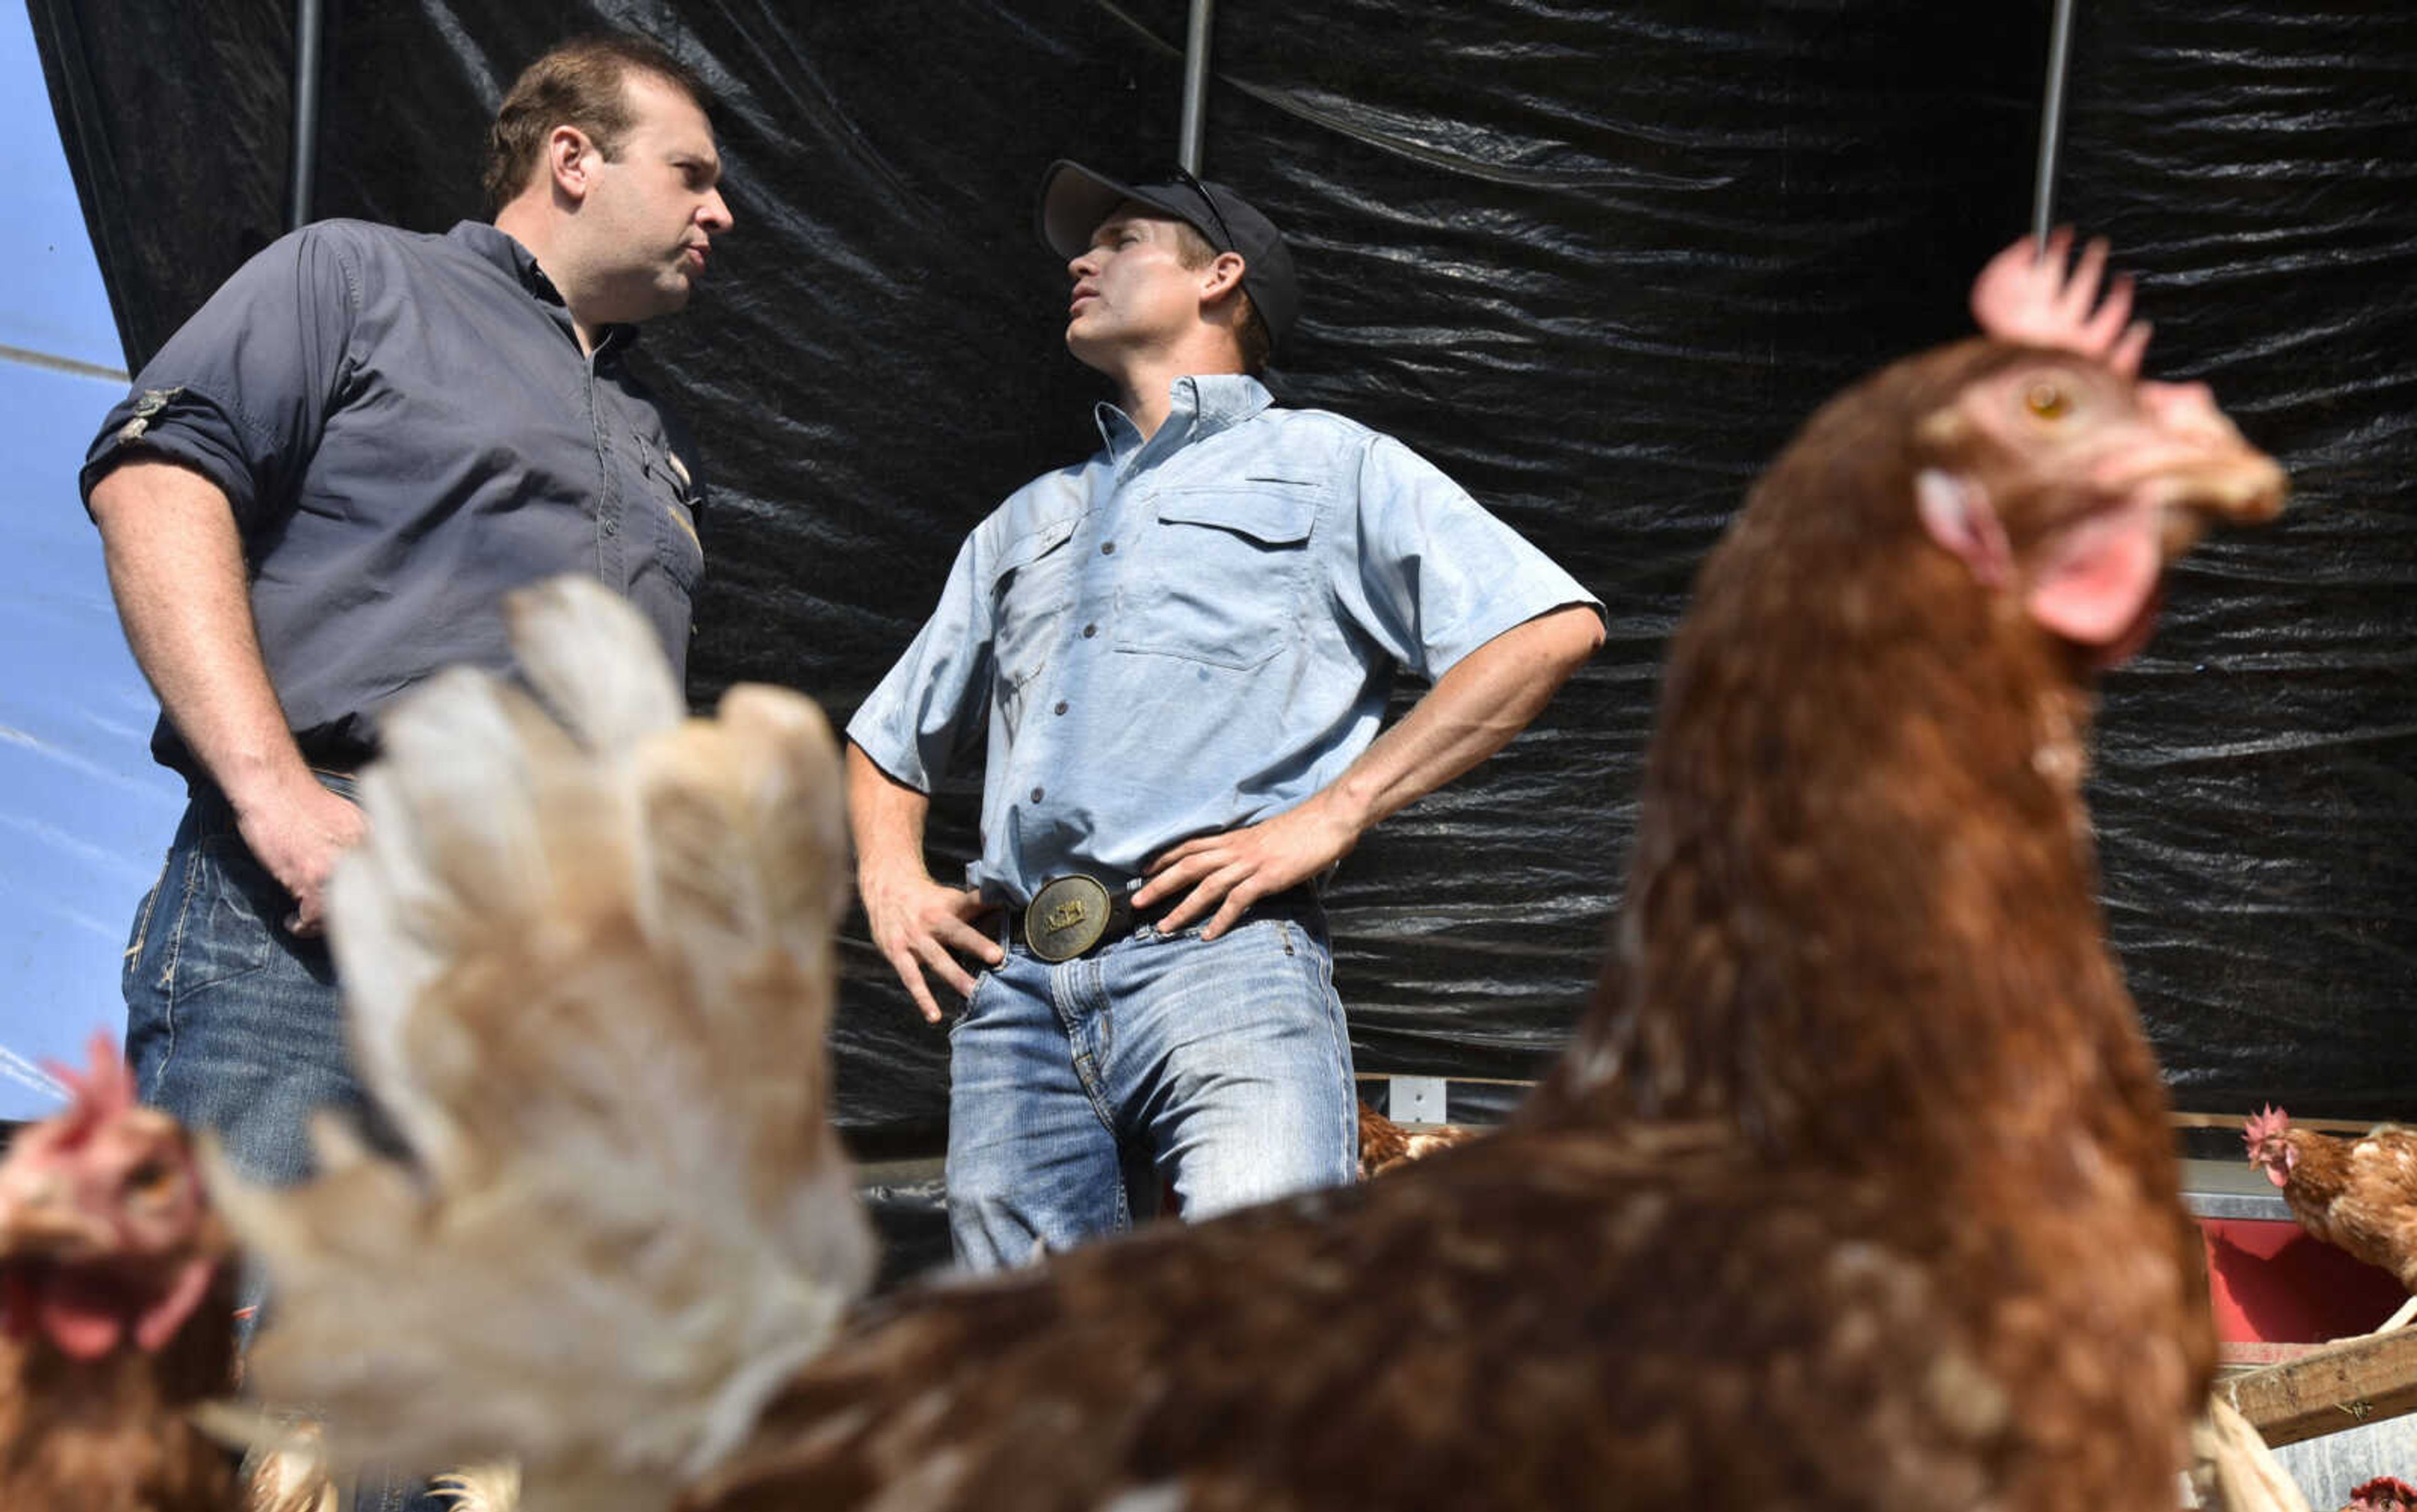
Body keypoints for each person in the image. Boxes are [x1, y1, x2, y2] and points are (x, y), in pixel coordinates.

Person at [847, 161, 1606, 1270]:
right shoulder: (1023, 523)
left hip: (1223, 956)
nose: (1083, 261)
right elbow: (886, 737)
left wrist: (1335, 814)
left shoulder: (1328, 463)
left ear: (1221, 275)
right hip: (1017, 995)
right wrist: (891, 882)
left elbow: (1546, 624)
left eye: (1120, 239)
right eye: (1084, 245)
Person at [83, 31, 728, 1294]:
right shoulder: (354, 276)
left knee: (446, 1450)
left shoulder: (661, 437)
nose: (725, 210)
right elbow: (156, 481)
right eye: (694, 172)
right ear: (573, 159)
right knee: (246, 1395)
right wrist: (279, 801)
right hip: (322, 921)